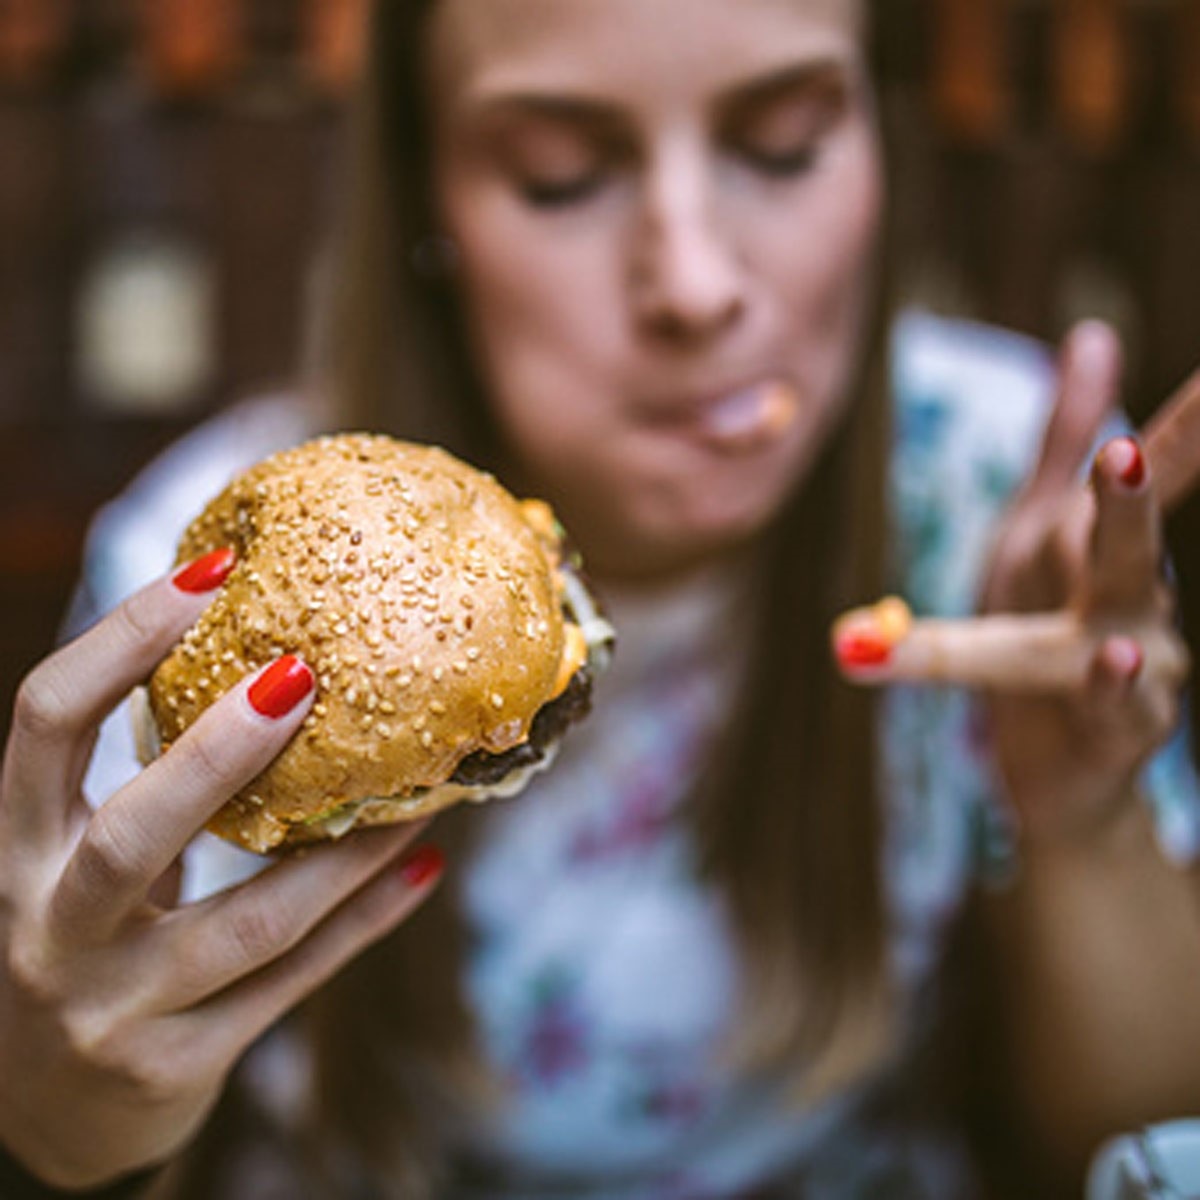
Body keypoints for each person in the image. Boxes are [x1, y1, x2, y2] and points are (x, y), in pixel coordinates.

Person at [3, 0, 1200, 1196]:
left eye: (784, 145)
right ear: (428, 201)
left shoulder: (1006, 491)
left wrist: (1086, 823)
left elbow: (1138, 1138)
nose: (695, 285)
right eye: (561, 174)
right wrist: (69, 1114)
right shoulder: (216, 593)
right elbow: (105, 1107)